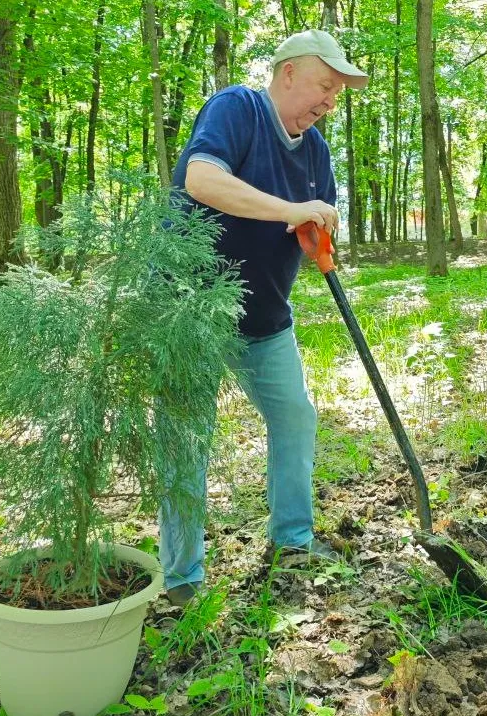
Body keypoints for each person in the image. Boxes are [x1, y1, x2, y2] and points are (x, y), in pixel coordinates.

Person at [161, 30, 368, 605]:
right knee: (185, 437)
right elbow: (201, 181)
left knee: (296, 417)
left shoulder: (317, 150)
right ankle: (181, 577)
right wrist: (292, 209)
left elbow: (311, 222)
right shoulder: (239, 108)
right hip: (191, 309)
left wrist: (317, 230)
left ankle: (293, 543)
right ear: (288, 74)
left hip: (264, 315)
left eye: (337, 93)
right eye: (324, 85)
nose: (329, 101)